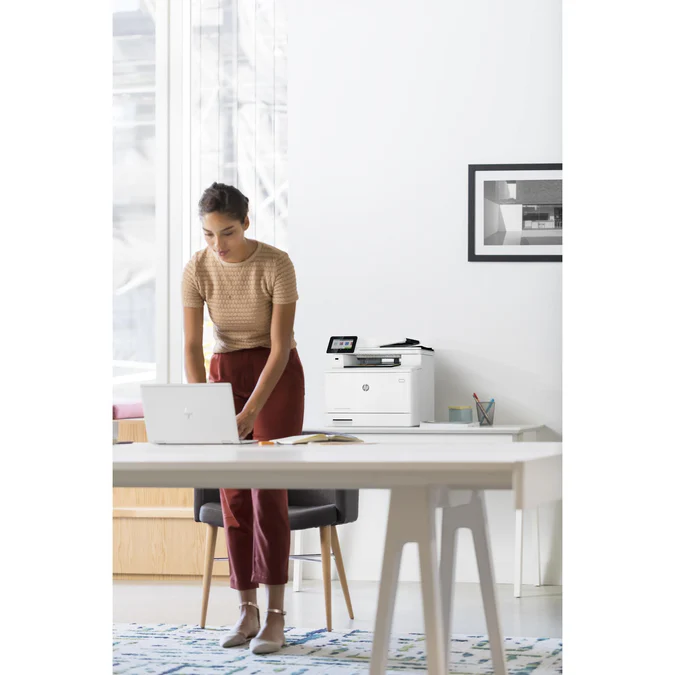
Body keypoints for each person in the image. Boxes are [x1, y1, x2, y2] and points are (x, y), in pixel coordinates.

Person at [182, 183, 304, 654]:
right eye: (209, 234)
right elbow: (191, 346)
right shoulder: (196, 268)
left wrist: (251, 411)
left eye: (228, 233)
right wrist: (203, 407)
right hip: (224, 370)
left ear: (246, 223)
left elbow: (280, 346)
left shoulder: (276, 264)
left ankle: (276, 616)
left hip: (276, 374)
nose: (218, 244)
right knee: (233, 495)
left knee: (267, 490)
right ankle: (246, 610)